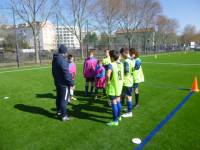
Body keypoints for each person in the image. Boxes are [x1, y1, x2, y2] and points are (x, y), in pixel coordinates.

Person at [52, 44, 73, 121]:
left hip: (57, 82)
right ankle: (64, 116)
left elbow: (53, 72)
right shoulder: (63, 60)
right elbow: (66, 73)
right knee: (64, 99)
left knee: (59, 97)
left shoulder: (55, 59)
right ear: (65, 51)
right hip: (63, 84)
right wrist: (71, 83)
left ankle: (59, 111)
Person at [106, 50, 124, 126]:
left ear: (112, 57)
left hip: (113, 86)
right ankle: (119, 116)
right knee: (118, 101)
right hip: (119, 85)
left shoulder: (111, 64)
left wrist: (108, 81)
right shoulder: (121, 64)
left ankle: (115, 121)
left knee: (114, 103)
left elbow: (108, 75)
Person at [120, 48, 135, 118]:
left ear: (124, 53)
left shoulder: (126, 61)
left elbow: (126, 71)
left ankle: (129, 112)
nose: (122, 56)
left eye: (122, 54)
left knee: (128, 97)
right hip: (130, 80)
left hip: (126, 81)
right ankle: (129, 109)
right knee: (129, 96)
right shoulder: (132, 59)